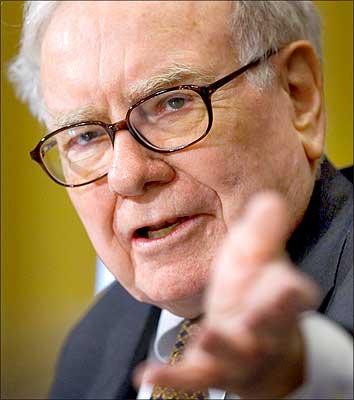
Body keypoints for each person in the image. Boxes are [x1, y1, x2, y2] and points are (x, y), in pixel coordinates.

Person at [9, 1, 353, 399]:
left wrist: (303, 375)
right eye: (84, 136)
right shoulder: (92, 344)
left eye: (172, 102)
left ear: (298, 95)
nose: (127, 176)